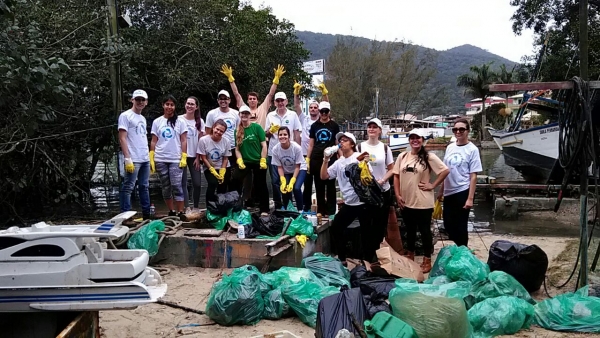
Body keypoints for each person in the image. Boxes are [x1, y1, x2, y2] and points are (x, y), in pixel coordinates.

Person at [393, 129, 449, 273]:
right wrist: (398, 195)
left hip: (423, 202)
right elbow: (396, 176)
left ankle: (427, 259)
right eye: (412, 138)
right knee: (409, 231)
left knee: (425, 232)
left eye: (417, 138)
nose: (414, 140)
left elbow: (445, 171)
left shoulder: (428, 157)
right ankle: (410, 255)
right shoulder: (402, 156)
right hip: (406, 201)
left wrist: (433, 185)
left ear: (422, 140)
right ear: (409, 140)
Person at [321, 132, 375, 263]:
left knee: (367, 233)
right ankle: (342, 258)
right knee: (336, 228)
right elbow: (324, 176)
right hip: (349, 204)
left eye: (345, 140)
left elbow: (369, 175)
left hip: (363, 202)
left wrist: (365, 163)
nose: (342, 142)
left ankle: (368, 262)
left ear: (352, 144)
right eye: (340, 140)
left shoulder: (358, 157)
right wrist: (325, 160)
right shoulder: (339, 162)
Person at [437, 118, 482, 248]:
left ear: (467, 131)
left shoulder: (472, 149)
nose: (458, 132)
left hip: (462, 190)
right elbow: (445, 171)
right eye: (455, 129)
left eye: (461, 129)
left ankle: (463, 250)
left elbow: (473, 176)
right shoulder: (450, 147)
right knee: (448, 224)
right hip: (449, 191)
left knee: (461, 224)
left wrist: (470, 198)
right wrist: (441, 191)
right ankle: (458, 247)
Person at [358, 118, 395, 251]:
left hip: (382, 191)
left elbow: (392, 169)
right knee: (366, 224)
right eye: (369, 127)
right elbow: (355, 168)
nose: (372, 129)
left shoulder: (385, 148)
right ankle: (367, 255)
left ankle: (379, 253)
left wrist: (382, 180)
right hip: (366, 192)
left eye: (375, 127)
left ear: (379, 130)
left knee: (380, 224)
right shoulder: (360, 147)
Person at [293, 81, 329, 212]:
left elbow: (327, 105)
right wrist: (296, 93)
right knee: (306, 182)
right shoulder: (304, 118)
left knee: (320, 182)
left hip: (318, 155)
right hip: (305, 155)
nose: (313, 109)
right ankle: (306, 206)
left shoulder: (322, 119)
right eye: (311, 107)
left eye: (315, 107)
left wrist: (325, 93)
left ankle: (321, 206)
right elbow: (297, 105)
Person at [150, 95, 188, 217]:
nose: (169, 107)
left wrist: (184, 156)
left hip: (175, 158)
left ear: (175, 106)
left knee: (177, 185)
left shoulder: (180, 122)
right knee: (166, 187)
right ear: (163, 105)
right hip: (160, 158)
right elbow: (154, 140)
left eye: (172, 104)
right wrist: (151, 156)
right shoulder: (157, 122)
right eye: (167, 104)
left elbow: (183, 140)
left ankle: (181, 211)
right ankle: (171, 211)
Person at [264, 92, 302, 210]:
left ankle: (289, 206)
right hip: (273, 153)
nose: (280, 103)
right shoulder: (270, 115)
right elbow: (266, 135)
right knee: (276, 181)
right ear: (275, 102)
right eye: (278, 101)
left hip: (290, 153)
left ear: (286, 101)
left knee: (289, 180)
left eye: (282, 101)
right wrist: (270, 131)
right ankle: (278, 206)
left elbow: (297, 133)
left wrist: (298, 152)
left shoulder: (292, 115)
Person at [118, 89, 151, 219]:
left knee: (144, 186)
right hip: (133, 158)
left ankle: (146, 215)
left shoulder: (142, 118)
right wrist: (127, 158)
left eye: (143, 100)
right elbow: (122, 138)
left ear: (146, 102)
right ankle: (126, 216)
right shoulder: (125, 116)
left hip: (144, 158)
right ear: (132, 100)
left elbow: (142, 137)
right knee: (128, 187)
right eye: (137, 99)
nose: (140, 102)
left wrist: (149, 156)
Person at [220, 64, 285, 127]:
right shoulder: (243, 108)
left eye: (254, 99)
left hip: (261, 137)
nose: (252, 100)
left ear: (257, 101)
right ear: (247, 101)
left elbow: (270, 94)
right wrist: (230, 79)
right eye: (250, 99)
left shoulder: (263, 108)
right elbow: (236, 94)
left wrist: (276, 79)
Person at [233, 106, 269, 213]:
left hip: (258, 160)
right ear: (239, 115)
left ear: (250, 115)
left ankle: (264, 209)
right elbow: (237, 149)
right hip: (246, 162)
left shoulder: (257, 127)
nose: (244, 115)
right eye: (242, 113)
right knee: (235, 179)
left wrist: (263, 159)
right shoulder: (237, 131)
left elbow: (264, 145)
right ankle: (237, 205)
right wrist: (239, 160)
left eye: (246, 113)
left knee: (261, 184)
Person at [308, 101, 340, 216]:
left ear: (329, 112)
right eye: (322, 111)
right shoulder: (314, 126)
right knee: (319, 185)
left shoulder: (334, 126)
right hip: (317, 158)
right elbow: (311, 144)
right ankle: (321, 210)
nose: (324, 114)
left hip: (331, 157)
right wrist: (308, 159)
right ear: (319, 112)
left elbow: (338, 143)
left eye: (326, 111)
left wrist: (340, 157)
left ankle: (331, 211)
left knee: (331, 185)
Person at [205, 90, 240, 192]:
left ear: (229, 100)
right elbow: (207, 132)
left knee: (232, 177)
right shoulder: (212, 114)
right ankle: (216, 201)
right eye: (221, 99)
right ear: (218, 100)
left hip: (233, 148)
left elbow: (239, 131)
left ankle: (232, 200)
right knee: (216, 178)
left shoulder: (236, 113)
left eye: (225, 99)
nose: (223, 101)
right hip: (216, 148)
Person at [272, 127, 307, 210]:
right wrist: (282, 179)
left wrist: (293, 180)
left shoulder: (296, 148)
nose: (282, 136)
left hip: (300, 168)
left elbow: (298, 165)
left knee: (296, 188)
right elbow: (279, 166)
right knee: (284, 188)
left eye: (285, 134)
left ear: (289, 136)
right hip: (286, 171)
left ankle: (300, 210)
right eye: (280, 135)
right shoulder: (275, 149)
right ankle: (288, 209)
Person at [179, 96, 204, 209]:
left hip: (194, 156)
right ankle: (186, 207)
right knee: (182, 183)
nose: (189, 106)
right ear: (185, 105)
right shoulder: (179, 119)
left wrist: (198, 158)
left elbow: (201, 141)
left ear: (196, 107)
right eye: (188, 103)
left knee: (197, 183)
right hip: (181, 156)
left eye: (192, 104)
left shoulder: (199, 121)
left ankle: (196, 206)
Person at [197, 119, 231, 202]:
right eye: (217, 129)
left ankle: (221, 206)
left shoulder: (226, 141)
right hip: (209, 166)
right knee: (212, 183)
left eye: (221, 131)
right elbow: (203, 158)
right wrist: (212, 170)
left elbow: (226, 158)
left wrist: (222, 171)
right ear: (213, 128)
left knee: (223, 185)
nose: (218, 132)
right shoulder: (203, 140)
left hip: (223, 166)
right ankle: (210, 205)